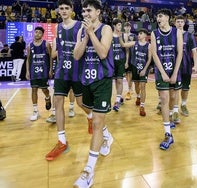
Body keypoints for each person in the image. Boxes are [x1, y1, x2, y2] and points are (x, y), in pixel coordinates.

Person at [72, 0, 114, 187]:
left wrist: (90, 33)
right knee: (83, 105)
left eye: (89, 10)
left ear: (98, 12)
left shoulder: (106, 29)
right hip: (86, 79)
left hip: (103, 81)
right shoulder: (81, 30)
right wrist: (85, 37)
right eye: (84, 10)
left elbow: (103, 53)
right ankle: (107, 135)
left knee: (96, 122)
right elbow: (76, 55)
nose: (86, 13)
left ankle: (88, 171)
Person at [45, 0, 92, 161]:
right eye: (61, 8)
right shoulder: (57, 27)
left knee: (80, 103)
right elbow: (55, 52)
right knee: (57, 101)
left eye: (67, 8)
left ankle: (91, 116)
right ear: (58, 10)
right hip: (61, 71)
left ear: (72, 10)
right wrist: (53, 51)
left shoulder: (80, 26)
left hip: (77, 71)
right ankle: (62, 141)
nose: (63, 10)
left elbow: (86, 48)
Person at [151, 9, 183, 150]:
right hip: (161, 71)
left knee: (173, 96)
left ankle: (170, 115)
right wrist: (163, 73)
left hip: (174, 69)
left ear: (168, 18)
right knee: (164, 98)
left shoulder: (177, 32)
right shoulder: (154, 33)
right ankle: (168, 134)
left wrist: (175, 72)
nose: (158, 18)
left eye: (161, 16)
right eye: (157, 16)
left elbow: (180, 53)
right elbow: (154, 54)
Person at [119, 28, 152, 116]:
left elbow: (149, 59)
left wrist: (145, 69)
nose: (139, 35)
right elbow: (123, 45)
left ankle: (142, 106)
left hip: (144, 68)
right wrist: (119, 36)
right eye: (138, 33)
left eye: (141, 33)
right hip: (135, 67)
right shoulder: (134, 43)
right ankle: (138, 96)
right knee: (137, 86)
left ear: (145, 35)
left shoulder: (149, 45)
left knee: (143, 86)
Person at [25, 26, 52, 121]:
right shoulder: (29, 46)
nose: (37, 34)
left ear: (42, 34)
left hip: (44, 70)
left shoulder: (47, 44)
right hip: (33, 71)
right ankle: (35, 111)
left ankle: (48, 97)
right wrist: (27, 71)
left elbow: (50, 58)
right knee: (34, 89)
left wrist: (50, 70)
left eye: (39, 32)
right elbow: (28, 59)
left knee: (44, 89)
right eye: (36, 32)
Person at [174, 15, 197, 117]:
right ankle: (175, 109)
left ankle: (183, 105)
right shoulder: (172, 35)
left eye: (181, 22)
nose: (180, 23)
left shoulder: (189, 36)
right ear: (174, 23)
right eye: (178, 22)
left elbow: (194, 51)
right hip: (174, 66)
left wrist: (196, 65)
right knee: (175, 88)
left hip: (186, 66)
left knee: (185, 88)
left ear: (184, 23)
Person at [112, 18, 125, 112]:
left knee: (119, 80)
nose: (120, 27)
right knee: (114, 81)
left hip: (120, 61)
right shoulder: (109, 35)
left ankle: (117, 101)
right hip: (111, 62)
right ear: (114, 26)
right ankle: (118, 97)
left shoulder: (123, 36)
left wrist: (127, 61)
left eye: (121, 25)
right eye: (119, 25)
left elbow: (125, 48)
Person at [122, 22, 136, 101]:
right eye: (126, 26)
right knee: (126, 74)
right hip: (122, 56)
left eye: (129, 26)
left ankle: (129, 90)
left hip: (131, 57)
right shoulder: (121, 35)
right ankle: (129, 88)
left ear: (130, 27)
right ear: (124, 28)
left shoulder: (133, 36)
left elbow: (136, 45)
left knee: (129, 74)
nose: (127, 28)